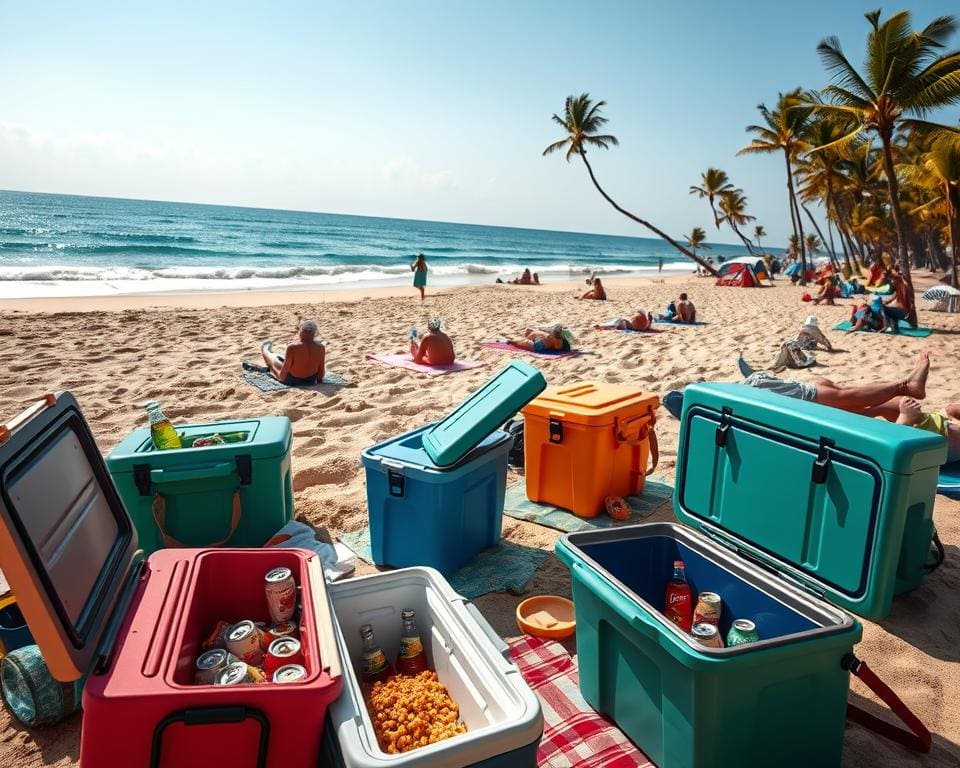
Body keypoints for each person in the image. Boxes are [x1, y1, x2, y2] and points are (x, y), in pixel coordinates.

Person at [737, 351, 929, 416]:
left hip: (765, 391)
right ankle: (905, 386)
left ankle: (905, 386)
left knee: (831, 388)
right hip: (786, 396)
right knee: (844, 397)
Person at [259, 319, 326, 385]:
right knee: (283, 359)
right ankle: (268, 352)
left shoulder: (292, 347)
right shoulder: (321, 348)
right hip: (310, 380)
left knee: (274, 360)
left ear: (300, 332)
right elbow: (320, 374)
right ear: (314, 334)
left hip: (292, 380)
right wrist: (318, 381)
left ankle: (265, 350)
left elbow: (282, 376)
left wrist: (273, 369)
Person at [896, 398, 960, 462]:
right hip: (942, 432)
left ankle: (909, 419)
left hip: (942, 439)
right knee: (951, 409)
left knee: (898, 445)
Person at [882, 264, 917, 331]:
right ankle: (895, 328)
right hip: (904, 311)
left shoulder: (900, 283)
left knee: (884, 309)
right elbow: (896, 295)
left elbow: (895, 276)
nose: (891, 282)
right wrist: (887, 302)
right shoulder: (901, 284)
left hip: (902, 311)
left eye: (892, 280)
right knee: (890, 312)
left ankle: (886, 325)